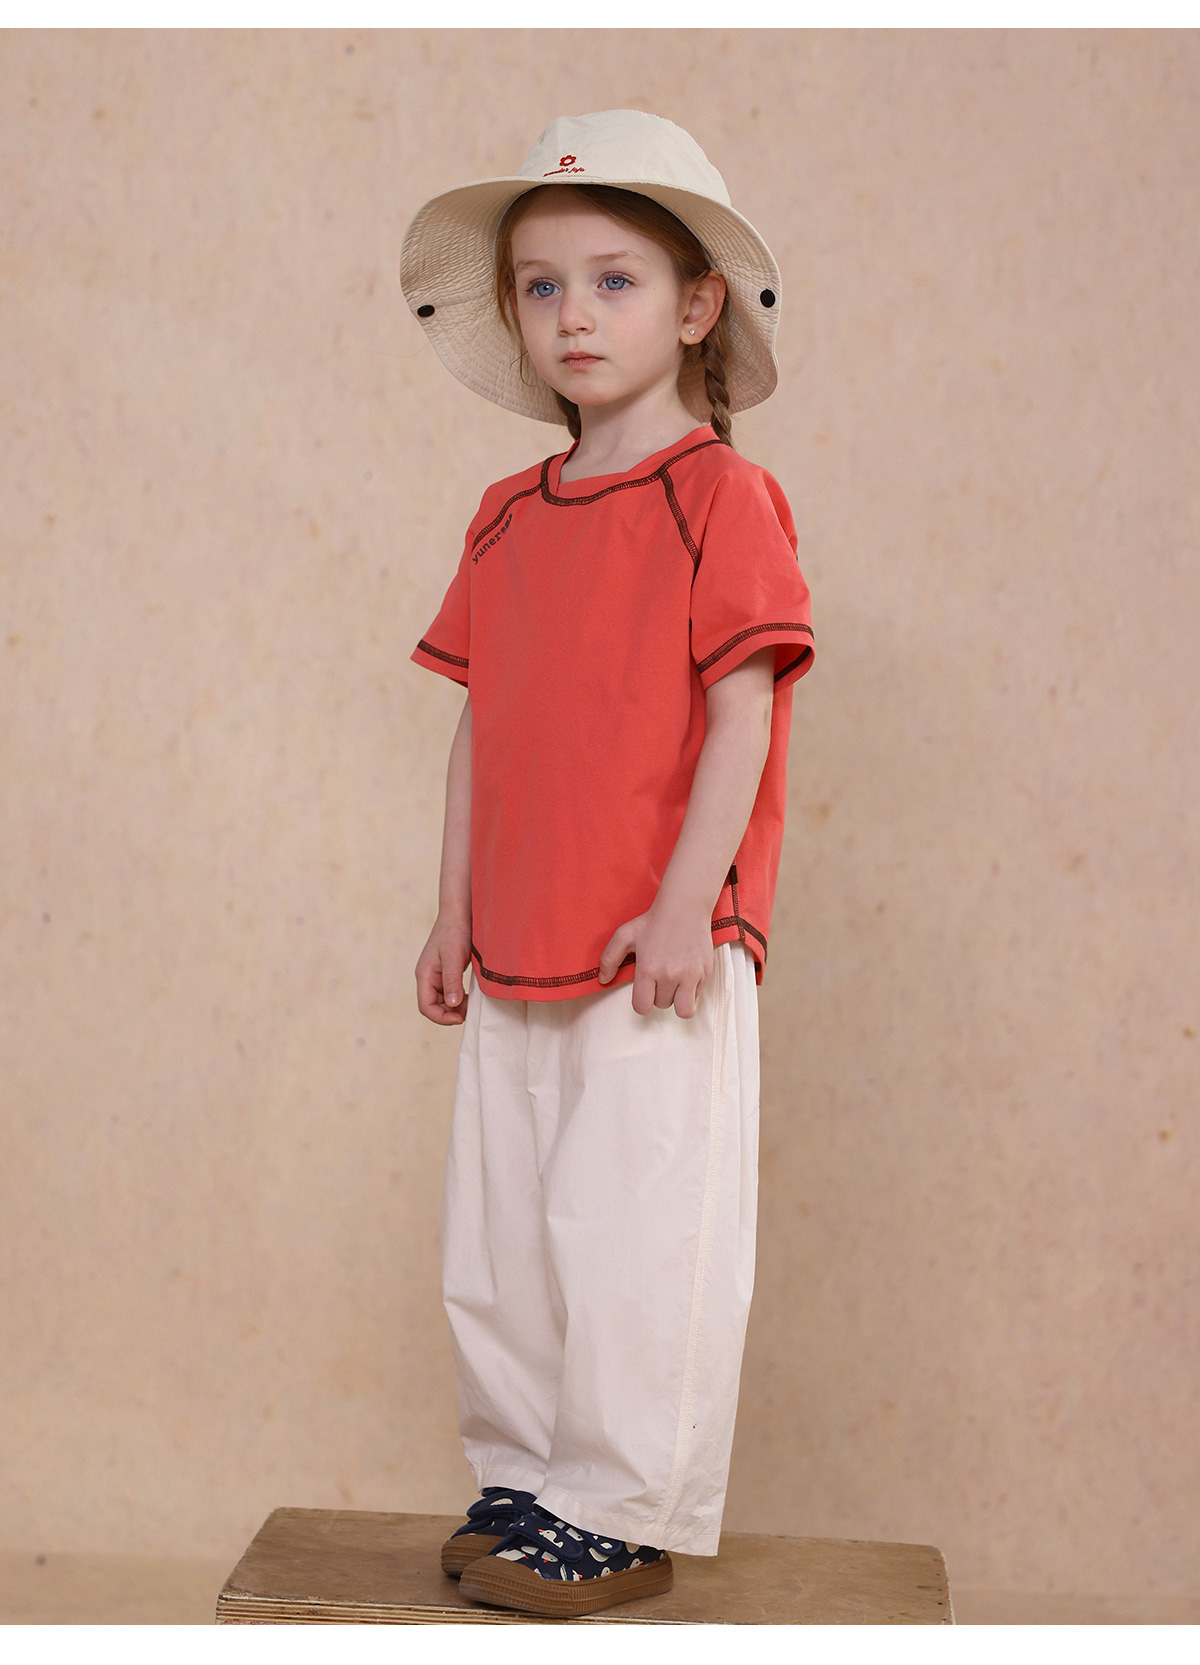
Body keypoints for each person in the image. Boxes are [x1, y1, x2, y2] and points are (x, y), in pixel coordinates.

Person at [400, 109, 813, 1618]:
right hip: (517, 937)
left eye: (615, 281)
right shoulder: (507, 517)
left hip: (657, 946)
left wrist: (692, 905)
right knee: (504, 1235)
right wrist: (450, 910)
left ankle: (618, 1504)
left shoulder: (721, 498)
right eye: (542, 286)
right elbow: (485, 726)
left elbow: (742, 710)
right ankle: (527, 1470)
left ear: (697, 305)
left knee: (639, 1227)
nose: (574, 314)